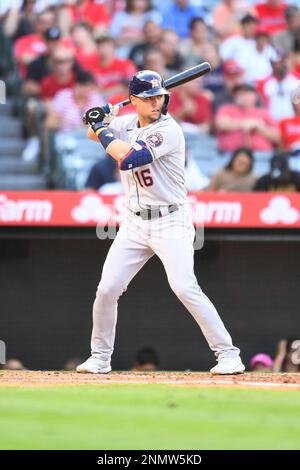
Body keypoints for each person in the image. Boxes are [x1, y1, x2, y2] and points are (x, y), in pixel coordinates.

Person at [76, 70, 245, 375]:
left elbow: (128, 158)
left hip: (171, 220)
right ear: (134, 101)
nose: (156, 102)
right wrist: (100, 115)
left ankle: (228, 354)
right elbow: (91, 132)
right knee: (107, 289)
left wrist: (100, 125)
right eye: (149, 98)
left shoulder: (168, 130)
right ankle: (100, 357)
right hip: (134, 223)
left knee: (184, 287)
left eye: (159, 97)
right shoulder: (127, 121)